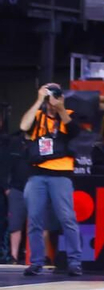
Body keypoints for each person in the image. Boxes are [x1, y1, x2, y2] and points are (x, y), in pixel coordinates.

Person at [20, 84, 83, 275]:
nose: (52, 100)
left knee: (67, 218)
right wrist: (39, 100)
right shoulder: (38, 116)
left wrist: (61, 107)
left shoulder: (68, 113)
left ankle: (74, 262)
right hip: (37, 173)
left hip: (60, 174)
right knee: (35, 219)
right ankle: (36, 261)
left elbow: (73, 132)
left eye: (56, 95)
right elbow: (23, 126)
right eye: (50, 96)